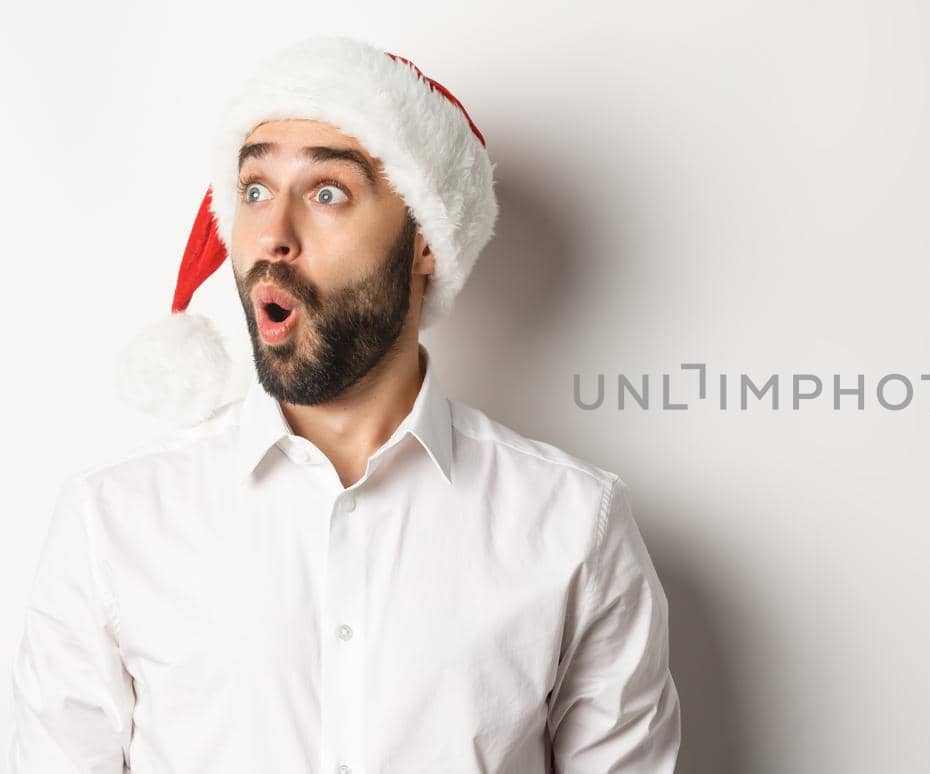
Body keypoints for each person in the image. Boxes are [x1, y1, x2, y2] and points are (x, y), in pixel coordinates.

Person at [8, 35, 681, 773]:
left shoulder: (572, 525)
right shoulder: (113, 523)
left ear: (426, 240)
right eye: (254, 191)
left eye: (327, 193)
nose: (271, 236)